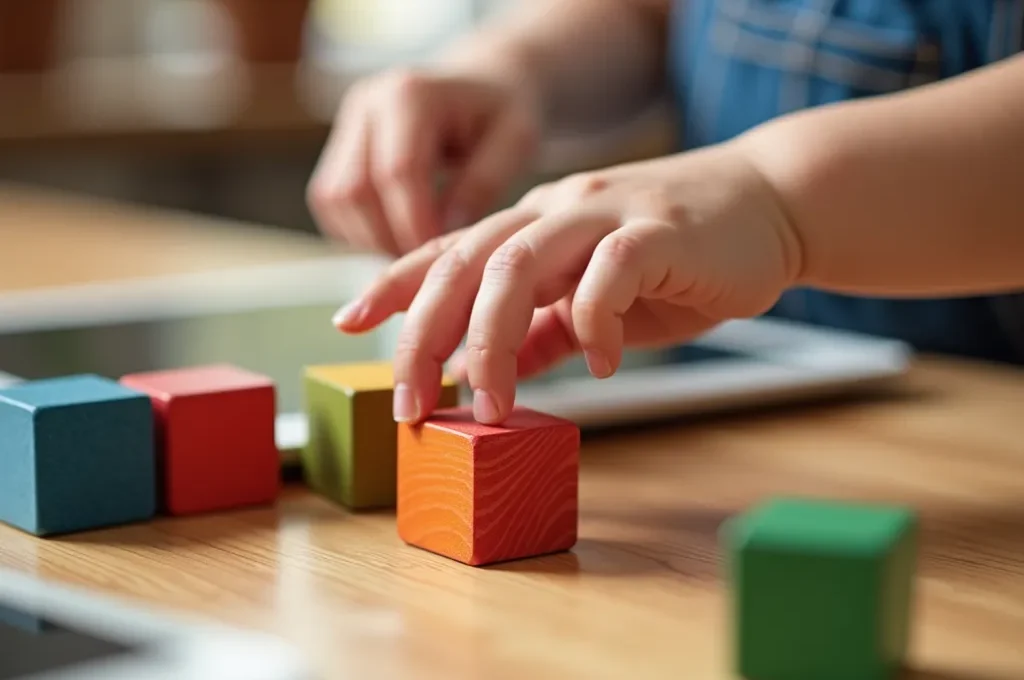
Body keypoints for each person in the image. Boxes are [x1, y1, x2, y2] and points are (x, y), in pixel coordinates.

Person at [306, 0, 1024, 426]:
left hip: (984, 430)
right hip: (750, 403)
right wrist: (511, 62)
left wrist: (773, 197)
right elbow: (656, 13)